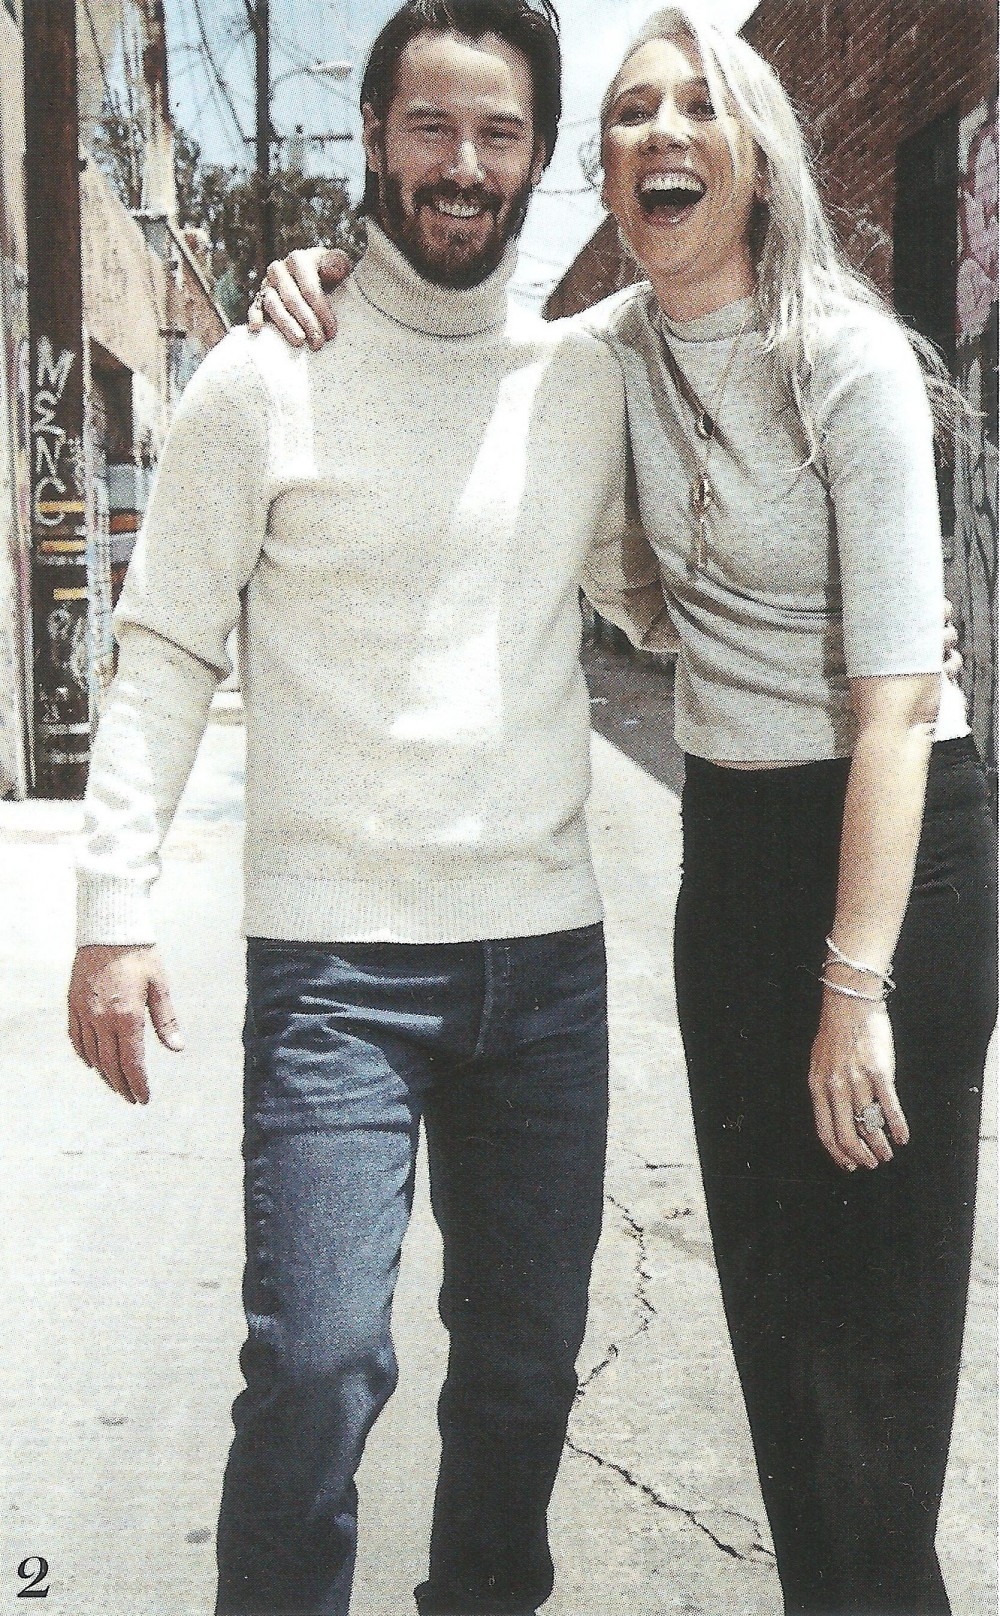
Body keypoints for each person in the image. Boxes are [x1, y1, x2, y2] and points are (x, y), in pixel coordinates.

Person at [259, 7, 997, 1614]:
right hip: (732, 854)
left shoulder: (850, 361)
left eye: (696, 107)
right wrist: (319, 269)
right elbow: (447, 330)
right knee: (783, 1366)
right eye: (629, 111)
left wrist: (855, 986)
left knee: (872, 1388)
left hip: (892, 856)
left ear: (756, 159)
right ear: (601, 174)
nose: (660, 133)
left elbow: (895, 705)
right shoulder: (606, 352)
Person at [65, 5, 670, 1615]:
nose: (463, 166)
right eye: (431, 127)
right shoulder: (263, 374)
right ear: (375, 138)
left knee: (526, 1368)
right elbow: (166, 648)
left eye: (499, 133)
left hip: (544, 966)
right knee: (318, 1366)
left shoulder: (582, 381)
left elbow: (653, 595)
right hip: (337, 969)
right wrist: (112, 912)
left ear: (539, 155)